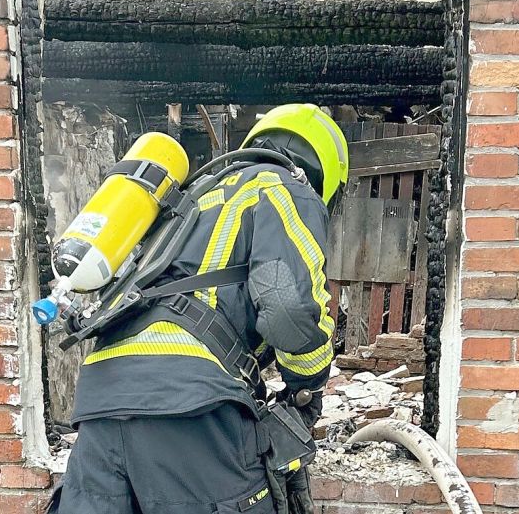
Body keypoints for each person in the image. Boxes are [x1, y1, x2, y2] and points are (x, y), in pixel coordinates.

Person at [47, 104, 349, 514]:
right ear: (326, 175)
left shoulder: (190, 198)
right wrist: (306, 386)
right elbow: (286, 304)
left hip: (103, 401)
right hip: (190, 408)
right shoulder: (284, 187)